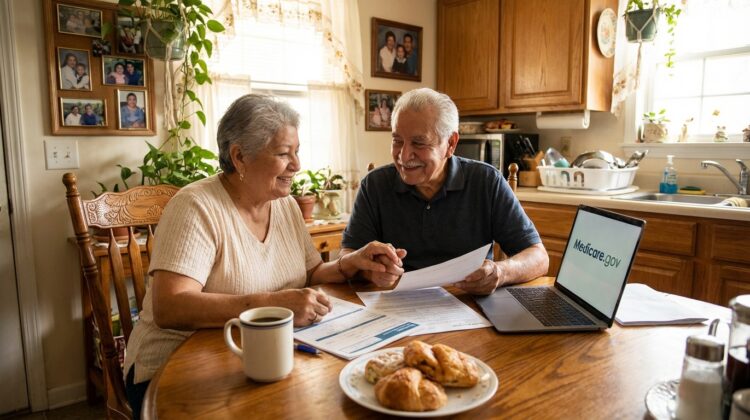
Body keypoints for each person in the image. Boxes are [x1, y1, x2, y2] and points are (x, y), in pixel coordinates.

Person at [123, 94, 405, 419]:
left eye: (297, 151)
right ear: (240, 156)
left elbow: (311, 273)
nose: (297, 165)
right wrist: (276, 304)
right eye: (284, 154)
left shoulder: (283, 204)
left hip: (258, 355)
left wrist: (350, 263)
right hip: (174, 367)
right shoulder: (196, 206)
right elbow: (171, 307)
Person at [341, 88, 549, 295]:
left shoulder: (486, 182)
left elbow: (538, 257)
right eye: (397, 141)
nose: (404, 156)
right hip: (396, 306)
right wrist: (371, 272)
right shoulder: (374, 185)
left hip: (470, 306)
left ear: (450, 144)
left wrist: (501, 272)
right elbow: (348, 254)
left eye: (418, 143)